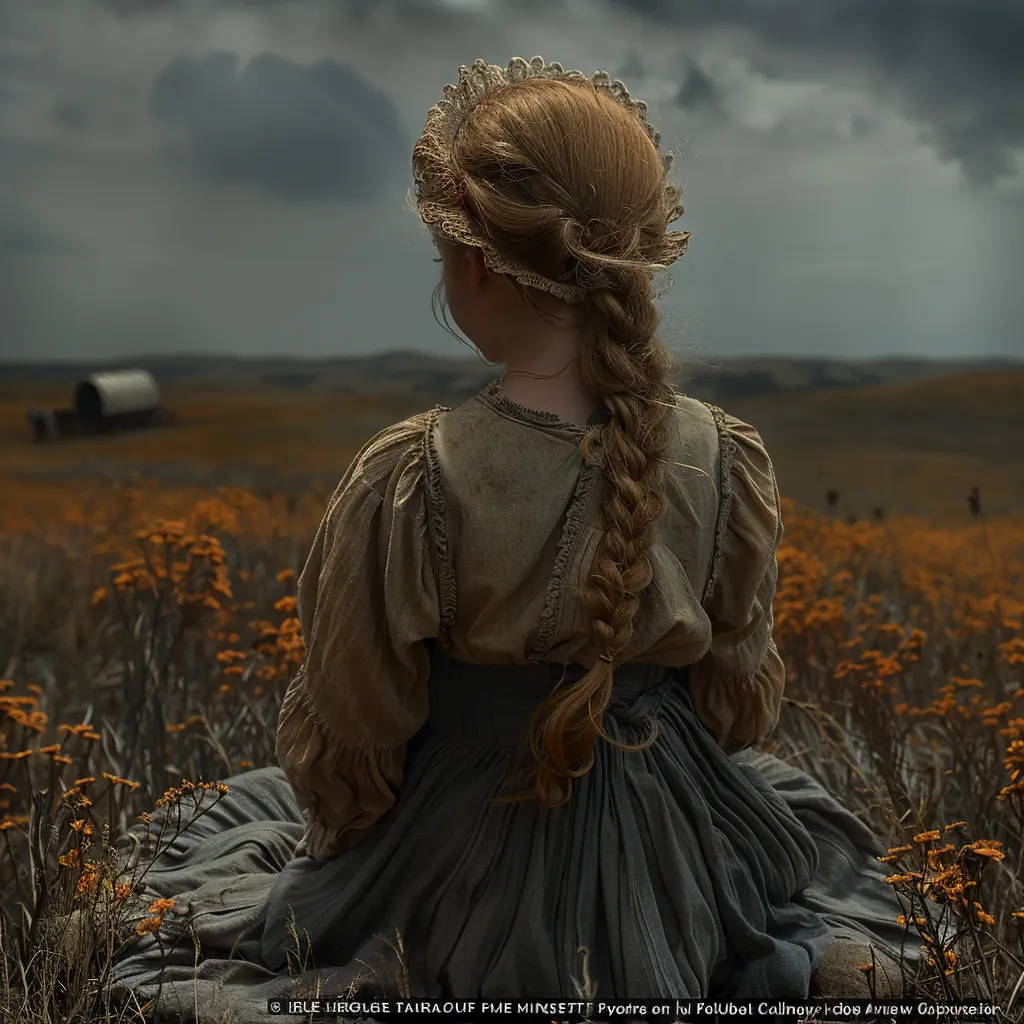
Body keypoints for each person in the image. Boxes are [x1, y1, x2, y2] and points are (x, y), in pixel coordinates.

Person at [108, 56, 913, 1021]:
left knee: (239, 868)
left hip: (462, 845)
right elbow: (737, 705)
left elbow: (356, 735)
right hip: (674, 844)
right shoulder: (725, 455)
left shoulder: (415, 474)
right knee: (792, 841)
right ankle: (809, 954)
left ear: (476, 262)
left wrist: (352, 845)